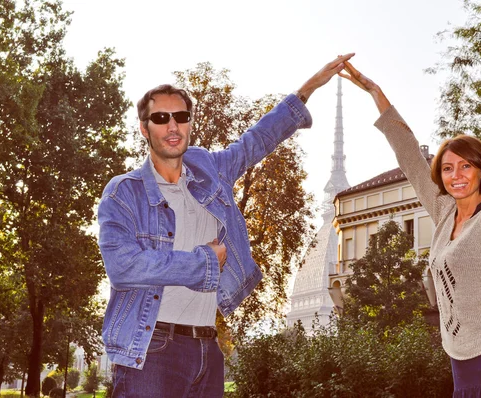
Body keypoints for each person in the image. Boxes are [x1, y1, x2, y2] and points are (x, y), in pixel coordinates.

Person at [97, 53, 355, 398]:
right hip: (152, 349)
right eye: (161, 118)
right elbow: (123, 266)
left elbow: (255, 141)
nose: (172, 127)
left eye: (181, 117)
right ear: (145, 128)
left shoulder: (209, 171)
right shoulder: (123, 192)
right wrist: (203, 262)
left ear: (190, 123)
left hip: (207, 346)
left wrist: (306, 90)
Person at [340, 61, 481, 398]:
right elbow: (410, 156)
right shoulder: (444, 212)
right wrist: (376, 94)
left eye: (465, 166)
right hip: (461, 366)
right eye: (447, 168)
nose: (456, 175)